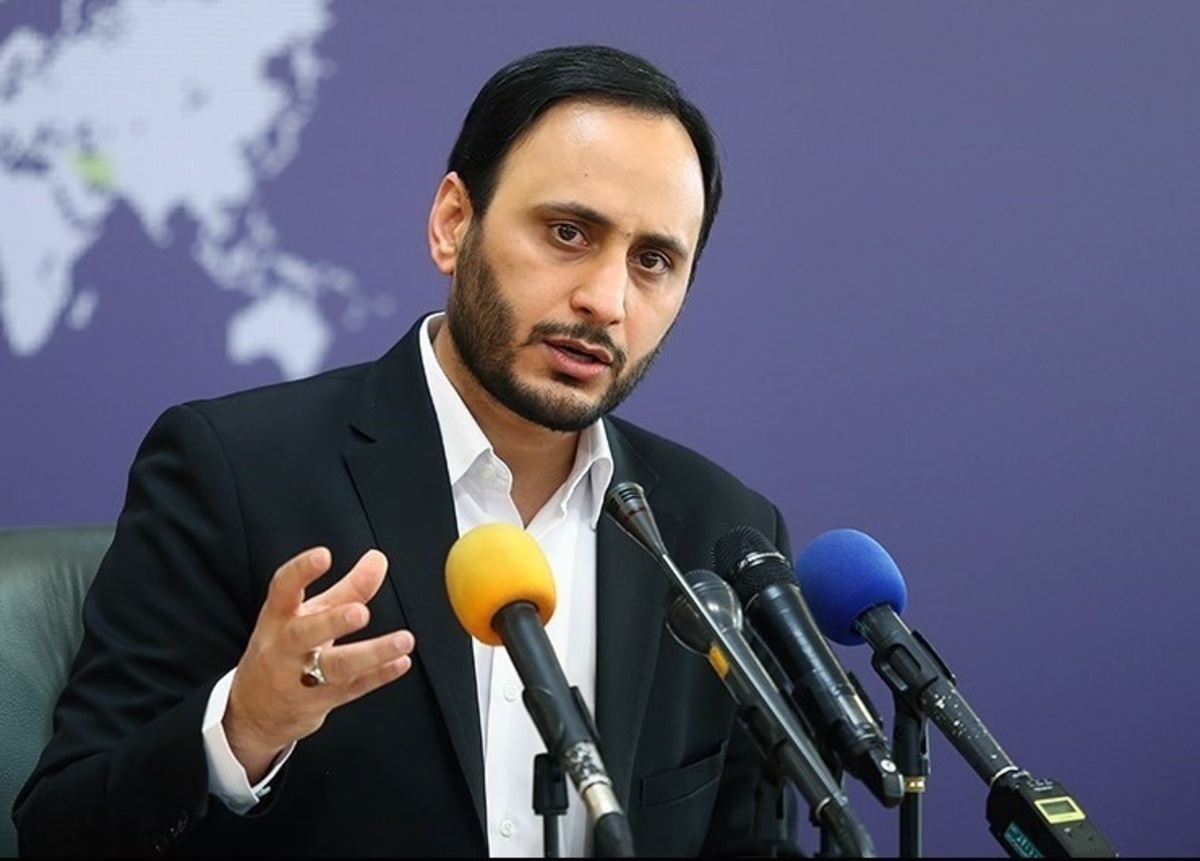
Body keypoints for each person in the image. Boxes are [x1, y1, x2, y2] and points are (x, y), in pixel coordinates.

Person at [14, 44, 801, 857]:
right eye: (568, 232)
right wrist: (242, 727)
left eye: (653, 261)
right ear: (453, 223)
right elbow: (60, 833)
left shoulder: (718, 535)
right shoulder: (236, 471)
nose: (605, 300)